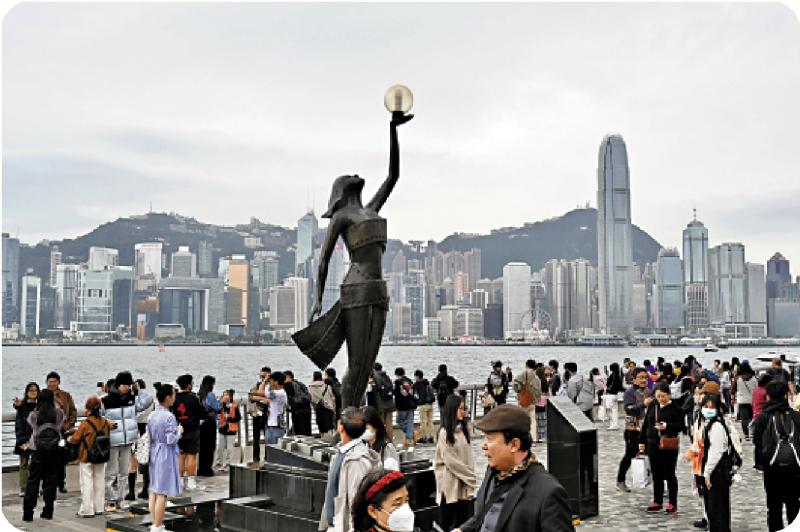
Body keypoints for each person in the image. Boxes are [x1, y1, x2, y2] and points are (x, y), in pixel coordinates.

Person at [297, 110, 414, 412]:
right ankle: (346, 419)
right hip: (356, 289)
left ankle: (354, 416)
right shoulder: (342, 216)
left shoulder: (371, 209)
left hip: (378, 290)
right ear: (341, 188)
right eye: (348, 175)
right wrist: (317, 300)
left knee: (367, 363)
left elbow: (393, 176)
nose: (355, 174)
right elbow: (323, 260)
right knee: (357, 362)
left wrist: (393, 130)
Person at [455, 404, 574, 532]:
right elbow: (485, 515)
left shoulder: (548, 492)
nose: (483, 446)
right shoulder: (492, 471)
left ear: (514, 445)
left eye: (489, 439)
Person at [320, 407, 381, 531]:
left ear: (340, 427)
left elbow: (356, 502)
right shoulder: (342, 451)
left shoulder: (356, 461)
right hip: (335, 524)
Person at [751, 380, 800, 532]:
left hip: (771, 468)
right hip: (795, 468)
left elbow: (757, 441)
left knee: (774, 507)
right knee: (794, 504)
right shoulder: (796, 416)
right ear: (786, 396)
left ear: (768, 397)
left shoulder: (762, 418)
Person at [101, 370, 154, 511]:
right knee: (111, 473)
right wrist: (106, 422)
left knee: (124, 472)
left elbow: (148, 401)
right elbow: (97, 416)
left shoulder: (132, 399)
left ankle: (121, 499)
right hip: (113, 440)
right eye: (125, 385)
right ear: (118, 384)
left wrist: (138, 390)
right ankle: (109, 500)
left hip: (128, 440)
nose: (127, 387)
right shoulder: (106, 400)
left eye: (129, 385)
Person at [638, 382, 685, 514]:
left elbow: (681, 426)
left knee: (670, 474)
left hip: (668, 445)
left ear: (668, 395)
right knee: (656, 473)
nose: (660, 399)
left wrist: (667, 426)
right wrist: (641, 441)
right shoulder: (653, 405)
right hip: (653, 444)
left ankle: (672, 503)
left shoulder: (676, 408)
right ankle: (657, 501)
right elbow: (646, 424)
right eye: (658, 396)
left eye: (663, 396)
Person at [22, 388, 65, 522]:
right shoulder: (58, 413)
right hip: (54, 449)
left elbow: (30, 424)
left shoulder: (34, 415)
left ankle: (28, 513)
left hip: (37, 449)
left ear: (39, 400)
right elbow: (61, 424)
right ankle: (48, 511)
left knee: (33, 481)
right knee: (51, 480)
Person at [434, 395, 476, 530]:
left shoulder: (464, 430)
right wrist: (471, 477)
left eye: (464, 408)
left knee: (463, 523)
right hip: (450, 485)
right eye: (460, 409)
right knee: (448, 524)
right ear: (452, 410)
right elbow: (450, 461)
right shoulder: (444, 433)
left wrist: (469, 477)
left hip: (464, 485)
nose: (463, 412)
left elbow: (469, 457)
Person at [148, 383, 183, 532]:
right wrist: (179, 431)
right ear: (168, 397)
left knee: (154, 490)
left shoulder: (152, 415)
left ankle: (154, 523)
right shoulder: (169, 416)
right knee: (162, 492)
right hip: (165, 453)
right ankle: (157, 526)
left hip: (154, 450)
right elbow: (171, 439)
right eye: (173, 395)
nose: (174, 398)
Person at [70, 396, 113, 517]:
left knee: (87, 482)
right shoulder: (104, 422)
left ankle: (87, 509)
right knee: (99, 481)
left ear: (88, 409)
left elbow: (75, 439)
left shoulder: (85, 424)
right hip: (101, 455)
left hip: (86, 456)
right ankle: (99, 507)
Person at [700, 394, 733, 532]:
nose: (708, 410)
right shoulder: (711, 424)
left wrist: (707, 473)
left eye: (711, 407)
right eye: (705, 407)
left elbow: (716, 451)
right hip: (717, 470)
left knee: (717, 508)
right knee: (715, 507)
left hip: (717, 471)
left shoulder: (717, 426)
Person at [617, 368, 652, 492]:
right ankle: (620, 481)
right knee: (630, 455)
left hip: (647, 429)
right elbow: (628, 409)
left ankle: (656, 483)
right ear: (634, 379)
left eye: (645, 377)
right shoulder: (629, 392)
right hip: (632, 428)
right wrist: (643, 404)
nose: (644, 380)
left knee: (652, 455)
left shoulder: (649, 391)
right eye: (641, 377)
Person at [45, 371, 77, 494]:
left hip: (61, 432)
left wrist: (68, 425)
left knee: (61, 457)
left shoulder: (65, 395)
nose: (52, 384)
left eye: (54, 381)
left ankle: (61, 483)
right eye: (50, 381)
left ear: (58, 382)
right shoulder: (43, 395)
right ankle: (48, 483)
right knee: (47, 458)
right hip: (47, 433)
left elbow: (73, 411)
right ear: (46, 382)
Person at [172, 374, 203, 491]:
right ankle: (191, 482)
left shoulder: (175, 398)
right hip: (192, 429)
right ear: (189, 385)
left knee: (181, 456)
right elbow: (201, 413)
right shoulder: (194, 398)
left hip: (179, 428)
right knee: (192, 456)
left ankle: (179, 481)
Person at [14, 382, 40, 497]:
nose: (33, 392)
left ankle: (35, 488)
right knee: (24, 463)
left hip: (37, 439)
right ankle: (23, 488)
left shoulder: (41, 405)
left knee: (37, 464)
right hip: (24, 439)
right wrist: (21, 440)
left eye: (35, 390)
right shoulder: (22, 406)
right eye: (30, 390)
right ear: (26, 392)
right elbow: (19, 424)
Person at [133, 379, 154, 499]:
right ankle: (146, 487)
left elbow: (137, 412)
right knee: (146, 460)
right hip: (147, 429)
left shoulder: (137, 399)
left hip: (138, 429)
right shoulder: (150, 398)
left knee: (135, 461)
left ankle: (138, 489)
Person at [197, 375, 221, 477]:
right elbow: (217, 407)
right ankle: (207, 469)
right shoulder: (210, 394)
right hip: (210, 421)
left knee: (202, 446)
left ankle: (201, 468)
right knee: (210, 446)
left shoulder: (200, 394)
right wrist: (221, 401)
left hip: (201, 422)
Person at [362, 405, 400, 470]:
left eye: (366, 428)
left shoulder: (387, 448)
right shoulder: (365, 446)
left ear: (375, 426)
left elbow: (392, 473)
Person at [213, 389, 240, 472]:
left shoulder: (235, 405)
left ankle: (228, 464)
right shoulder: (221, 405)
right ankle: (219, 463)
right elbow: (217, 412)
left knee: (229, 448)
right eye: (224, 395)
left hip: (231, 430)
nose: (224, 396)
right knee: (220, 447)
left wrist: (229, 420)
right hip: (222, 428)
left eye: (226, 395)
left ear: (230, 396)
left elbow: (238, 417)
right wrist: (220, 402)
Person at [249, 367, 270, 462]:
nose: (262, 378)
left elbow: (269, 397)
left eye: (264, 376)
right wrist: (262, 398)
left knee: (268, 437)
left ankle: (267, 457)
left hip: (268, 414)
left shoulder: (272, 386)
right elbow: (251, 397)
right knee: (256, 437)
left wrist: (258, 397)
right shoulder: (257, 385)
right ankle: (255, 457)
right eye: (261, 376)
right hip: (257, 413)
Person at [284, 370, 313, 436]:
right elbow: (309, 396)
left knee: (299, 433)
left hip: (297, 410)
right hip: (307, 409)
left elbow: (287, 398)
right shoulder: (300, 384)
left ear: (289, 377)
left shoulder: (288, 384)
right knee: (307, 430)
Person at [393, 367, 417, 446]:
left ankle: (412, 434)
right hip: (411, 404)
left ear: (396, 374)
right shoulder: (410, 381)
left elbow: (394, 392)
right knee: (410, 422)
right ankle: (409, 439)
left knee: (399, 421)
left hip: (401, 405)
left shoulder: (397, 382)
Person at [371, 363, 396, 438]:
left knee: (380, 424)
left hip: (380, 404)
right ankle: (390, 440)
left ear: (374, 369)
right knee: (389, 424)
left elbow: (374, 390)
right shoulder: (386, 376)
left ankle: (381, 441)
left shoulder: (375, 377)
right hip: (390, 403)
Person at [310, 371, 337, 437]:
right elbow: (332, 398)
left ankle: (323, 439)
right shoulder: (327, 386)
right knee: (329, 428)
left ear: (314, 377)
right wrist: (334, 409)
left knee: (321, 428)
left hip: (318, 409)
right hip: (328, 409)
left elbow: (310, 399)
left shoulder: (309, 387)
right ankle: (329, 440)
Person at [264, 371, 288, 444]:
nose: (270, 382)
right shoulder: (280, 392)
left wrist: (264, 381)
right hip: (272, 425)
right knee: (270, 448)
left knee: (274, 448)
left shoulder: (279, 393)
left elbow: (262, 392)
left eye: (271, 381)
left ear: (276, 382)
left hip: (276, 426)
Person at [734, 363, 756, 440]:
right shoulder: (754, 378)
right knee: (752, 418)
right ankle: (752, 432)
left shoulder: (737, 379)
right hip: (752, 401)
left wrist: (733, 397)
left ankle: (746, 434)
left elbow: (733, 389)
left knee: (744, 419)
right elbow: (757, 389)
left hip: (742, 401)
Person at [412, 369, 436, 444]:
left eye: (415, 376)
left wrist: (416, 403)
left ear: (417, 376)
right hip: (430, 404)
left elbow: (414, 396)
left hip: (423, 405)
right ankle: (431, 437)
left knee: (423, 422)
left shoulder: (416, 385)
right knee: (430, 421)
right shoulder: (427, 382)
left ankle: (424, 437)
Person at [605, 363, 625, 430]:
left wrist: (608, 389)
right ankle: (615, 425)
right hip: (615, 395)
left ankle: (612, 425)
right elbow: (620, 387)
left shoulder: (613, 375)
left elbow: (609, 384)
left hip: (610, 395)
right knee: (615, 411)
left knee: (610, 411)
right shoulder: (619, 376)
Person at [534, 367, 550, 443]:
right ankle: (544, 437)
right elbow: (548, 394)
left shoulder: (535, 382)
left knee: (537, 421)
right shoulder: (545, 382)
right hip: (545, 403)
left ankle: (538, 436)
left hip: (537, 403)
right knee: (544, 422)